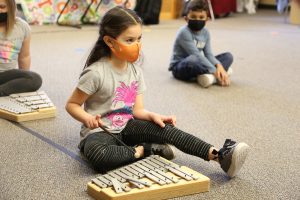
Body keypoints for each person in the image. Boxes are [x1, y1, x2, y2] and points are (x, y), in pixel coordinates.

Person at [65, 6, 249, 177]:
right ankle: (145, 150)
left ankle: (219, 155)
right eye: (129, 40)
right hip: (100, 133)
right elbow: (72, 104)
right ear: (109, 42)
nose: (137, 45)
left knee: (166, 129)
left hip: (127, 126)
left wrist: (154, 116)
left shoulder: (135, 71)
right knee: (99, 156)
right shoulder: (95, 73)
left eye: (139, 39)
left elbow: (137, 111)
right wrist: (86, 118)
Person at [169, 0, 233, 88]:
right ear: (186, 19)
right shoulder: (183, 32)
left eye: (201, 17)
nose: (197, 20)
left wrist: (219, 65)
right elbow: (197, 55)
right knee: (193, 59)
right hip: (181, 66)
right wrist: (215, 70)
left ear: (207, 20)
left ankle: (209, 76)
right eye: (193, 17)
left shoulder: (206, 33)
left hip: (199, 63)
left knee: (228, 56)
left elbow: (209, 54)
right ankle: (218, 75)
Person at [0, 0, 42, 97]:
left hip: (6, 75)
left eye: (2, 7)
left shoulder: (22, 27)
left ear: (11, 8)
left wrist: (23, 76)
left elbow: (24, 56)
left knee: (34, 79)